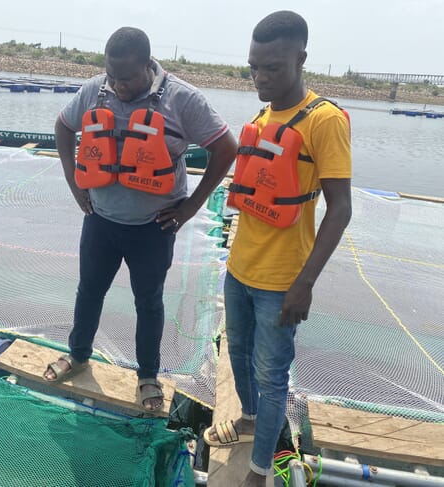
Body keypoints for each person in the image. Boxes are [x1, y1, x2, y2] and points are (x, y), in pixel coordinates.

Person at [42, 26, 238, 411]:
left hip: (153, 227)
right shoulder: (96, 90)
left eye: (127, 78)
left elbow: (226, 147)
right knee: (89, 291)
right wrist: (72, 180)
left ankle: (147, 375)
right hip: (100, 220)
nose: (119, 86)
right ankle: (79, 354)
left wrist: (191, 206)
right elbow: (64, 127)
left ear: (148, 65)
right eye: (112, 76)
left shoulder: (183, 99)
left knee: (148, 302)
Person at [202, 11, 352, 486]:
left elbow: (341, 208)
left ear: (300, 59)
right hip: (240, 270)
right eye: (254, 67)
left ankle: (260, 470)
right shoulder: (262, 117)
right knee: (238, 354)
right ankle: (248, 421)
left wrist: (304, 284)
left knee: (272, 378)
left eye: (273, 68)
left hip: (281, 282)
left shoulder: (324, 121)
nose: (260, 78)